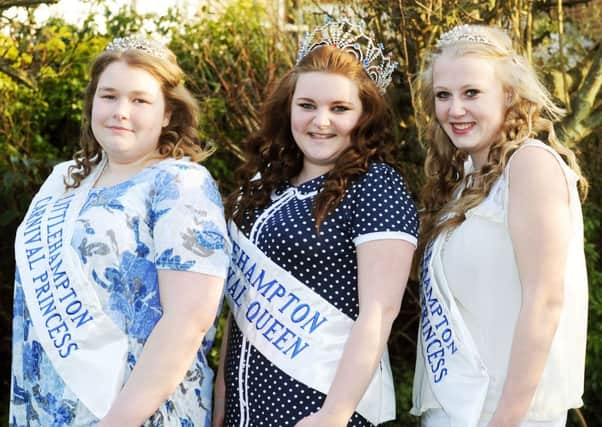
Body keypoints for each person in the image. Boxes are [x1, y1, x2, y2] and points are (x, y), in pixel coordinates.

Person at [10, 36, 230, 426]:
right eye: (108, 96)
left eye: (140, 100)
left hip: (137, 413)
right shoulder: (64, 179)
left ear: (167, 113)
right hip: (48, 407)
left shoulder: (182, 185)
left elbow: (188, 320)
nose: (120, 112)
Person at [212, 16, 419, 427]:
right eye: (306, 106)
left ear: (365, 116)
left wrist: (334, 414)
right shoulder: (265, 182)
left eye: (339, 108)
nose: (320, 121)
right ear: (287, 107)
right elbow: (242, 312)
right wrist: (220, 404)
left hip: (320, 408)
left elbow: (381, 309)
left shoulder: (376, 185)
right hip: (244, 407)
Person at [410, 24, 589, 427]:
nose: (454, 110)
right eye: (443, 95)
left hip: (505, 413)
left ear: (509, 93)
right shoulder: (464, 183)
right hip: (455, 407)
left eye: (471, 93)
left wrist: (505, 420)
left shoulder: (530, 165)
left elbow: (545, 300)